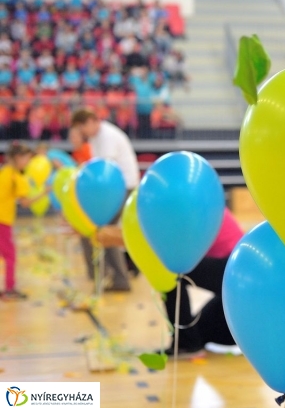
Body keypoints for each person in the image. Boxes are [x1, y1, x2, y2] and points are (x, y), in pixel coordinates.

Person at [95, 207, 244, 359]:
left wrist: (118, 237)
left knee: (171, 266)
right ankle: (188, 342)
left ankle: (185, 344)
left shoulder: (180, 204)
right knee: (200, 333)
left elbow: (164, 244)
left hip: (237, 273)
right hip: (236, 284)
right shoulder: (182, 200)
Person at [71, 108, 140, 292]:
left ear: (91, 121)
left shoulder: (107, 136)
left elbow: (105, 172)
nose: (82, 133)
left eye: (82, 128)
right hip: (111, 190)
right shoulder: (95, 138)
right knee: (101, 231)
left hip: (122, 188)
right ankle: (107, 275)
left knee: (106, 232)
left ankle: (117, 278)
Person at [0, 142, 49, 300]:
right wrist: (44, 192)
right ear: (18, 158)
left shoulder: (5, 171)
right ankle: (9, 289)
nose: (28, 162)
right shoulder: (16, 176)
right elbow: (25, 203)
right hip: (2, 221)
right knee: (10, 256)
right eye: (26, 158)